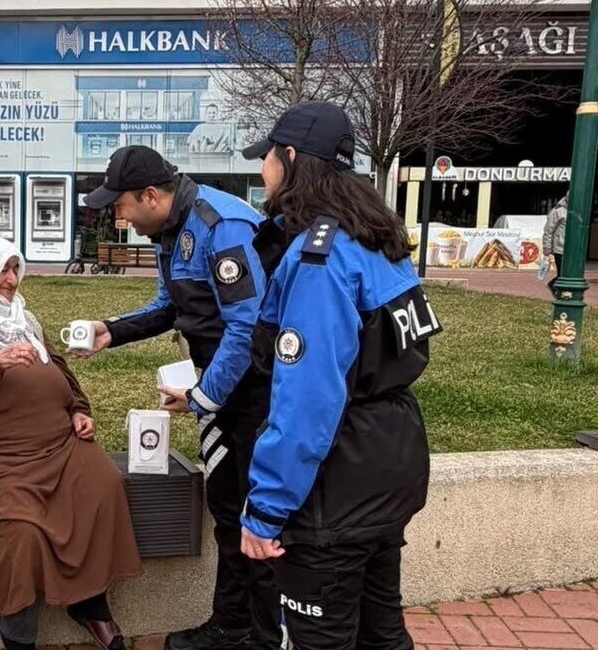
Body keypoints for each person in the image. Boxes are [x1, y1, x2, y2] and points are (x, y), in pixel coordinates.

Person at [238, 101, 441, 650]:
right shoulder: (377, 237)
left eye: (266, 158)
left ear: (290, 157)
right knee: (382, 632)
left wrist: (266, 508)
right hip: (389, 463)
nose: (263, 170)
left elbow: (307, 401)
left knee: (318, 637)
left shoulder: (320, 259)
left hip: (336, 484)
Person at [77, 145, 284, 650]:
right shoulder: (169, 231)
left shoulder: (221, 225)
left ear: (150, 195)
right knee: (227, 508)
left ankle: (264, 635)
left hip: (257, 391)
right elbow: (170, 305)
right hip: (220, 390)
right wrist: (112, 330)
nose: (119, 217)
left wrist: (202, 396)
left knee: (259, 516)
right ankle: (231, 624)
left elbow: (246, 327)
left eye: (121, 205)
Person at [0, 236, 142, 650]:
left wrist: (79, 409)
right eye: (2, 270)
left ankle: (90, 603)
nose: (11, 279)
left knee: (103, 484)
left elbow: (59, 368)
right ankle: (17, 629)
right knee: (21, 528)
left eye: (15, 269)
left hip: (59, 445)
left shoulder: (24, 319)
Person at [542, 195, 568, 293]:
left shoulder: (577, 212)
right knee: (562, 274)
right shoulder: (557, 211)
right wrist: (547, 250)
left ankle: (556, 288)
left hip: (573, 250)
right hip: (560, 249)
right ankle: (556, 290)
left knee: (568, 275)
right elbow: (548, 231)